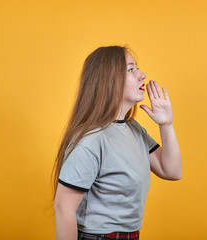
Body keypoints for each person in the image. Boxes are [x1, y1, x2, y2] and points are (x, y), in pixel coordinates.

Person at [52, 46, 182, 240]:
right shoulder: (91, 139)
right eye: (131, 69)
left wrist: (167, 125)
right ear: (109, 80)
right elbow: (63, 209)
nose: (142, 75)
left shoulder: (133, 129)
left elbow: (171, 171)